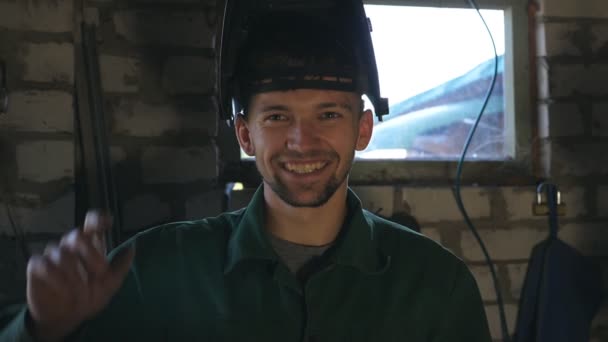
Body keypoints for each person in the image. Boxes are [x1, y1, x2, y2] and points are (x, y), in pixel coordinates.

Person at [0, 8, 492, 342]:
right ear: (244, 135)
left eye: (328, 115)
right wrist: (43, 327)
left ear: (362, 129)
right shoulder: (154, 269)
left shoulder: (434, 284)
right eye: (277, 117)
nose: (302, 142)